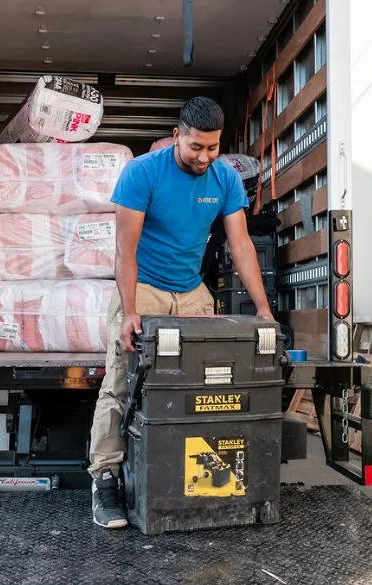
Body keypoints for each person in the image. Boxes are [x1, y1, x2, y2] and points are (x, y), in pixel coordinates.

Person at [87, 96, 275, 528]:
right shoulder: (142, 172)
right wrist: (130, 311)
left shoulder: (224, 179)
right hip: (145, 288)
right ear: (177, 136)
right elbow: (125, 249)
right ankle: (105, 480)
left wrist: (264, 310)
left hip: (192, 293)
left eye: (212, 148)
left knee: (203, 386)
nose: (204, 157)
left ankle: (195, 478)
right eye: (196, 147)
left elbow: (242, 246)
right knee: (120, 384)